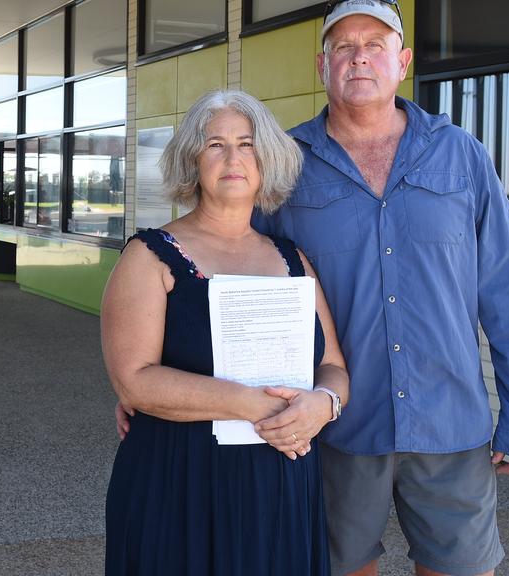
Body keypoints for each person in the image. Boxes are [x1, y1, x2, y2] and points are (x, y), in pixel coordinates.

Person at [257, 0, 509, 576]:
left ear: (404, 60)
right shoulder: (285, 163)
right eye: (343, 47)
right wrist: (171, 376)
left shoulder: (460, 154)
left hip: (450, 425)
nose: (359, 57)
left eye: (375, 44)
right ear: (322, 66)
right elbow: (239, 276)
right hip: (333, 426)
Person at [102, 89, 349, 575]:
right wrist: (255, 404)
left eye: (248, 143)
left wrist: (324, 404)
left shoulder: (292, 258)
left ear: (269, 160)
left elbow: (333, 366)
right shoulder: (149, 255)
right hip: (180, 481)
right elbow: (133, 380)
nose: (233, 157)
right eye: (215, 144)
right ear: (193, 161)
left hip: (280, 480)